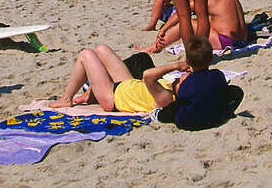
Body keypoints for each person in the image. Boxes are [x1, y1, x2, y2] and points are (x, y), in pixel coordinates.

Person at [48, 38, 239, 129]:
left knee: (86, 54)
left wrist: (176, 65)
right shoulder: (171, 86)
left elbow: (147, 75)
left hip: (112, 98)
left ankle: (67, 98)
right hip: (127, 84)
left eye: (183, 80)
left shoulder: (165, 98)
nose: (184, 76)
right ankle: (86, 96)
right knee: (102, 49)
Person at [138, 0, 249, 53]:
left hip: (227, 42)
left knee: (187, 22)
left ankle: (155, 48)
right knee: (208, 18)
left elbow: (181, 13)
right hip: (243, 40)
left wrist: (163, 30)